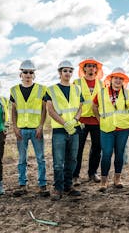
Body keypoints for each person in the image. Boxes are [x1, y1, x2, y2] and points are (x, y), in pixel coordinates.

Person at [92, 67, 129, 192]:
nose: (118, 81)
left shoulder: (128, 93)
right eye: (115, 78)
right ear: (111, 79)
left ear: (123, 81)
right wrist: (99, 119)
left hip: (123, 128)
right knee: (106, 154)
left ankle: (117, 179)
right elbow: (94, 106)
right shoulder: (101, 93)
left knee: (120, 153)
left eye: (120, 78)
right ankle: (103, 181)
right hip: (106, 128)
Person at [10, 60, 49, 197]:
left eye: (31, 72)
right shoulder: (14, 90)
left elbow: (44, 109)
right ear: (20, 74)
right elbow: (13, 110)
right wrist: (14, 127)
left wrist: (40, 126)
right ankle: (22, 185)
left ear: (34, 74)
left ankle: (42, 185)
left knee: (40, 158)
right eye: (25, 72)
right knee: (22, 159)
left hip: (36, 130)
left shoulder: (41, 89)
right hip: (21, 130)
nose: (28, 74)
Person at [46, 60, 83, 201]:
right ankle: (58, 188)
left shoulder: (77, 89)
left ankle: (68, 186)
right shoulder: (51, 90)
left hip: (74, 129)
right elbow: (50, 110)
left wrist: (75, 120)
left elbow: (80, 107)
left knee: (72, 159)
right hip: (59, 131)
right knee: (58, 161)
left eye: (70, 71)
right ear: (59, 73)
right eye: (65, 70)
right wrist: (64, 123)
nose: (67, 73)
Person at [72, 57, 104, 186]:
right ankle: (75, 175)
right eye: (88, 66)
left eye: (93, 66)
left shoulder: (102, 84)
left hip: (97, 121)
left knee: (97, 148)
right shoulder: (77, 83)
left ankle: (93, 173)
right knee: (77, 149)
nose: (91, 68)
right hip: (81, 121)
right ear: (84, 68)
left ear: (97, 69)